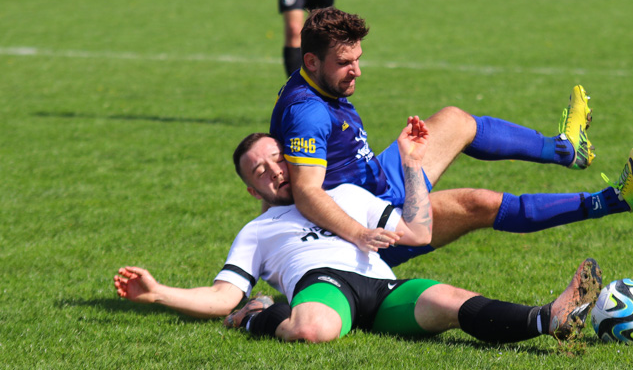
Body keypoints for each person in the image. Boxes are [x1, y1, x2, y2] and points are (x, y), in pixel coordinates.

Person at [114, 130, 604, 345]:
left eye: (277, 159)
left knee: (452, 301)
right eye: (259, 171)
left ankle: (549, 320)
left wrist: (413, 167)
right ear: (251, 188)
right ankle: (258, 318)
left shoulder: (346, 194)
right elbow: (222, 294)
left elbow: (417, 230)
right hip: (325, 284)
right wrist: (158, 292)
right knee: (312, 331)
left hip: (382, 287)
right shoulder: (258, 230)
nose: (272, 171)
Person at [269, 7, 633, 267]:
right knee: (480, 203)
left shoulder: (320, 85)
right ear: (311, 62)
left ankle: (566, 150)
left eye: (358, 59)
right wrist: (359, 233)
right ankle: (616, 200)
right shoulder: (307, 113)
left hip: (375, 179)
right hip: (368, 220)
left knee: (455, 120)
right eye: (344, 64)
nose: (356, 71)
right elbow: (307, 192)